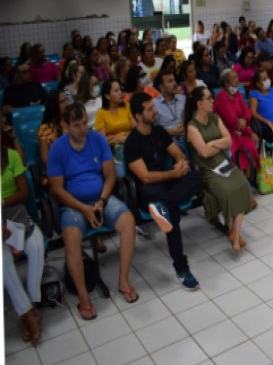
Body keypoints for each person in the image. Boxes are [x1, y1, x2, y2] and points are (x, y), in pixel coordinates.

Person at [48, 103, 137, 320]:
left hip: (100, 199)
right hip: (74, 205)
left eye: (84, 124)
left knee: (128, 222)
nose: (82, 129)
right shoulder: (58, 149)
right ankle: (84, 298)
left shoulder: (97, 139)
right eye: (76, 126)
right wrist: (84, 209)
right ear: (66, 126)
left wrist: (101, 201)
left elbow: (110, 176)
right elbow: (57, 189)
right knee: (71, 239)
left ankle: (123, 281)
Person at [125, 93, 201, 289]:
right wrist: (173, 175)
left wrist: (181, 164)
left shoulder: (159, 131)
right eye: (149, 109)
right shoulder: (132, 142)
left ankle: (164, 207)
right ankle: (181, 269)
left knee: (197, 176)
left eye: (153, 107)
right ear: (138, 115)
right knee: (170, 208)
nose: (155, 111)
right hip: (149, 190)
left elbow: (177, 153)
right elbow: (145, 177)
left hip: (167, 186)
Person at [185, 86, 254, 252]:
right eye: (208, 98)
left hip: (224, 162)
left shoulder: (215, 118)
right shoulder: (192, 127)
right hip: (208, 170)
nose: (212, 101)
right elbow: (204, 153)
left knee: (243, 185)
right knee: (228, 191)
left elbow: (228, 140)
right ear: (199, 103)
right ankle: (235, 235)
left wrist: (212, 143)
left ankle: (234, 233)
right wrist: (217, 143)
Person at [2, 142, 44, 345]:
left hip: (14, 214)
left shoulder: (11, 156)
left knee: (36, 245)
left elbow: (24, 193)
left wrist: (2, 202)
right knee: (3, 261)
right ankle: (28, 314)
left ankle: (30, 303)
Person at [214, 69, 259, 177]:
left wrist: (243, 119)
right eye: (234, 78)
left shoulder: (237, 94)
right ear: (226, 83)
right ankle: (241, 180)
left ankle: (248, 179)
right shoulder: (221, 97)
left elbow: (247, 110)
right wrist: (250, 132)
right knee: (236, 152)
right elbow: (232, 121)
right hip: (227, 133)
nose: (237, 81)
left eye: (237, 77)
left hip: (241, 130)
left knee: (250, 145)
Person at [38, 90, 68, 184]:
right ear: (54, 105)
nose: (66, 104)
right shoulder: (44, 129)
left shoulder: (72, 122)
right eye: (62, 102)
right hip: (55, 173)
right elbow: (45, 160)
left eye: (66, 100)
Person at [95, 79, 133, 148]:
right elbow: (102, 141)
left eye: (120, 90)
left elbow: (136, 129)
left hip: (130, 142)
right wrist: (118, 140)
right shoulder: (101, 113)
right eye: (116, 91)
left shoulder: (127, 106)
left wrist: (115, 137)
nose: (120, 93)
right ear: (107, 96)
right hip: (112, 149)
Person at [154, 69, 187, 148]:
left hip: (187, 137)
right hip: (167, 142)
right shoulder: (154, 104)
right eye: (170, 81)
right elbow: (152, 130)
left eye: (174, 80)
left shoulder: (183, 99)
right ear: (161, 87)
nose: (175, 84)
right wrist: (169, 132)